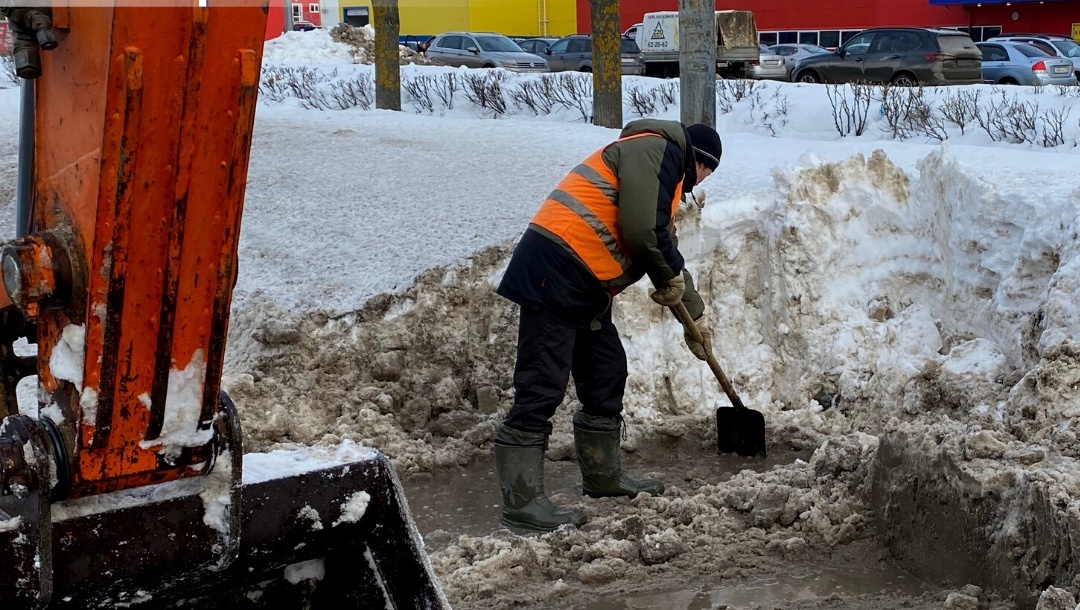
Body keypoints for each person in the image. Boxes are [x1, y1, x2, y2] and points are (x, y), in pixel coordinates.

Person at [493, 119, 723, 532]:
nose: (704, 179)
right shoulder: (659, 151)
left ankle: (603, 478)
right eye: (709, 171)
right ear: (701, 162)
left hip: (587, 283)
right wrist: (668, 275)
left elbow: (661, 245)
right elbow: (642, 232)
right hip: (557, 268)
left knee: (606, 372)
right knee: (542, 382)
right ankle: (522, 504)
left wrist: (696, 317)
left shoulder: (661, 173)